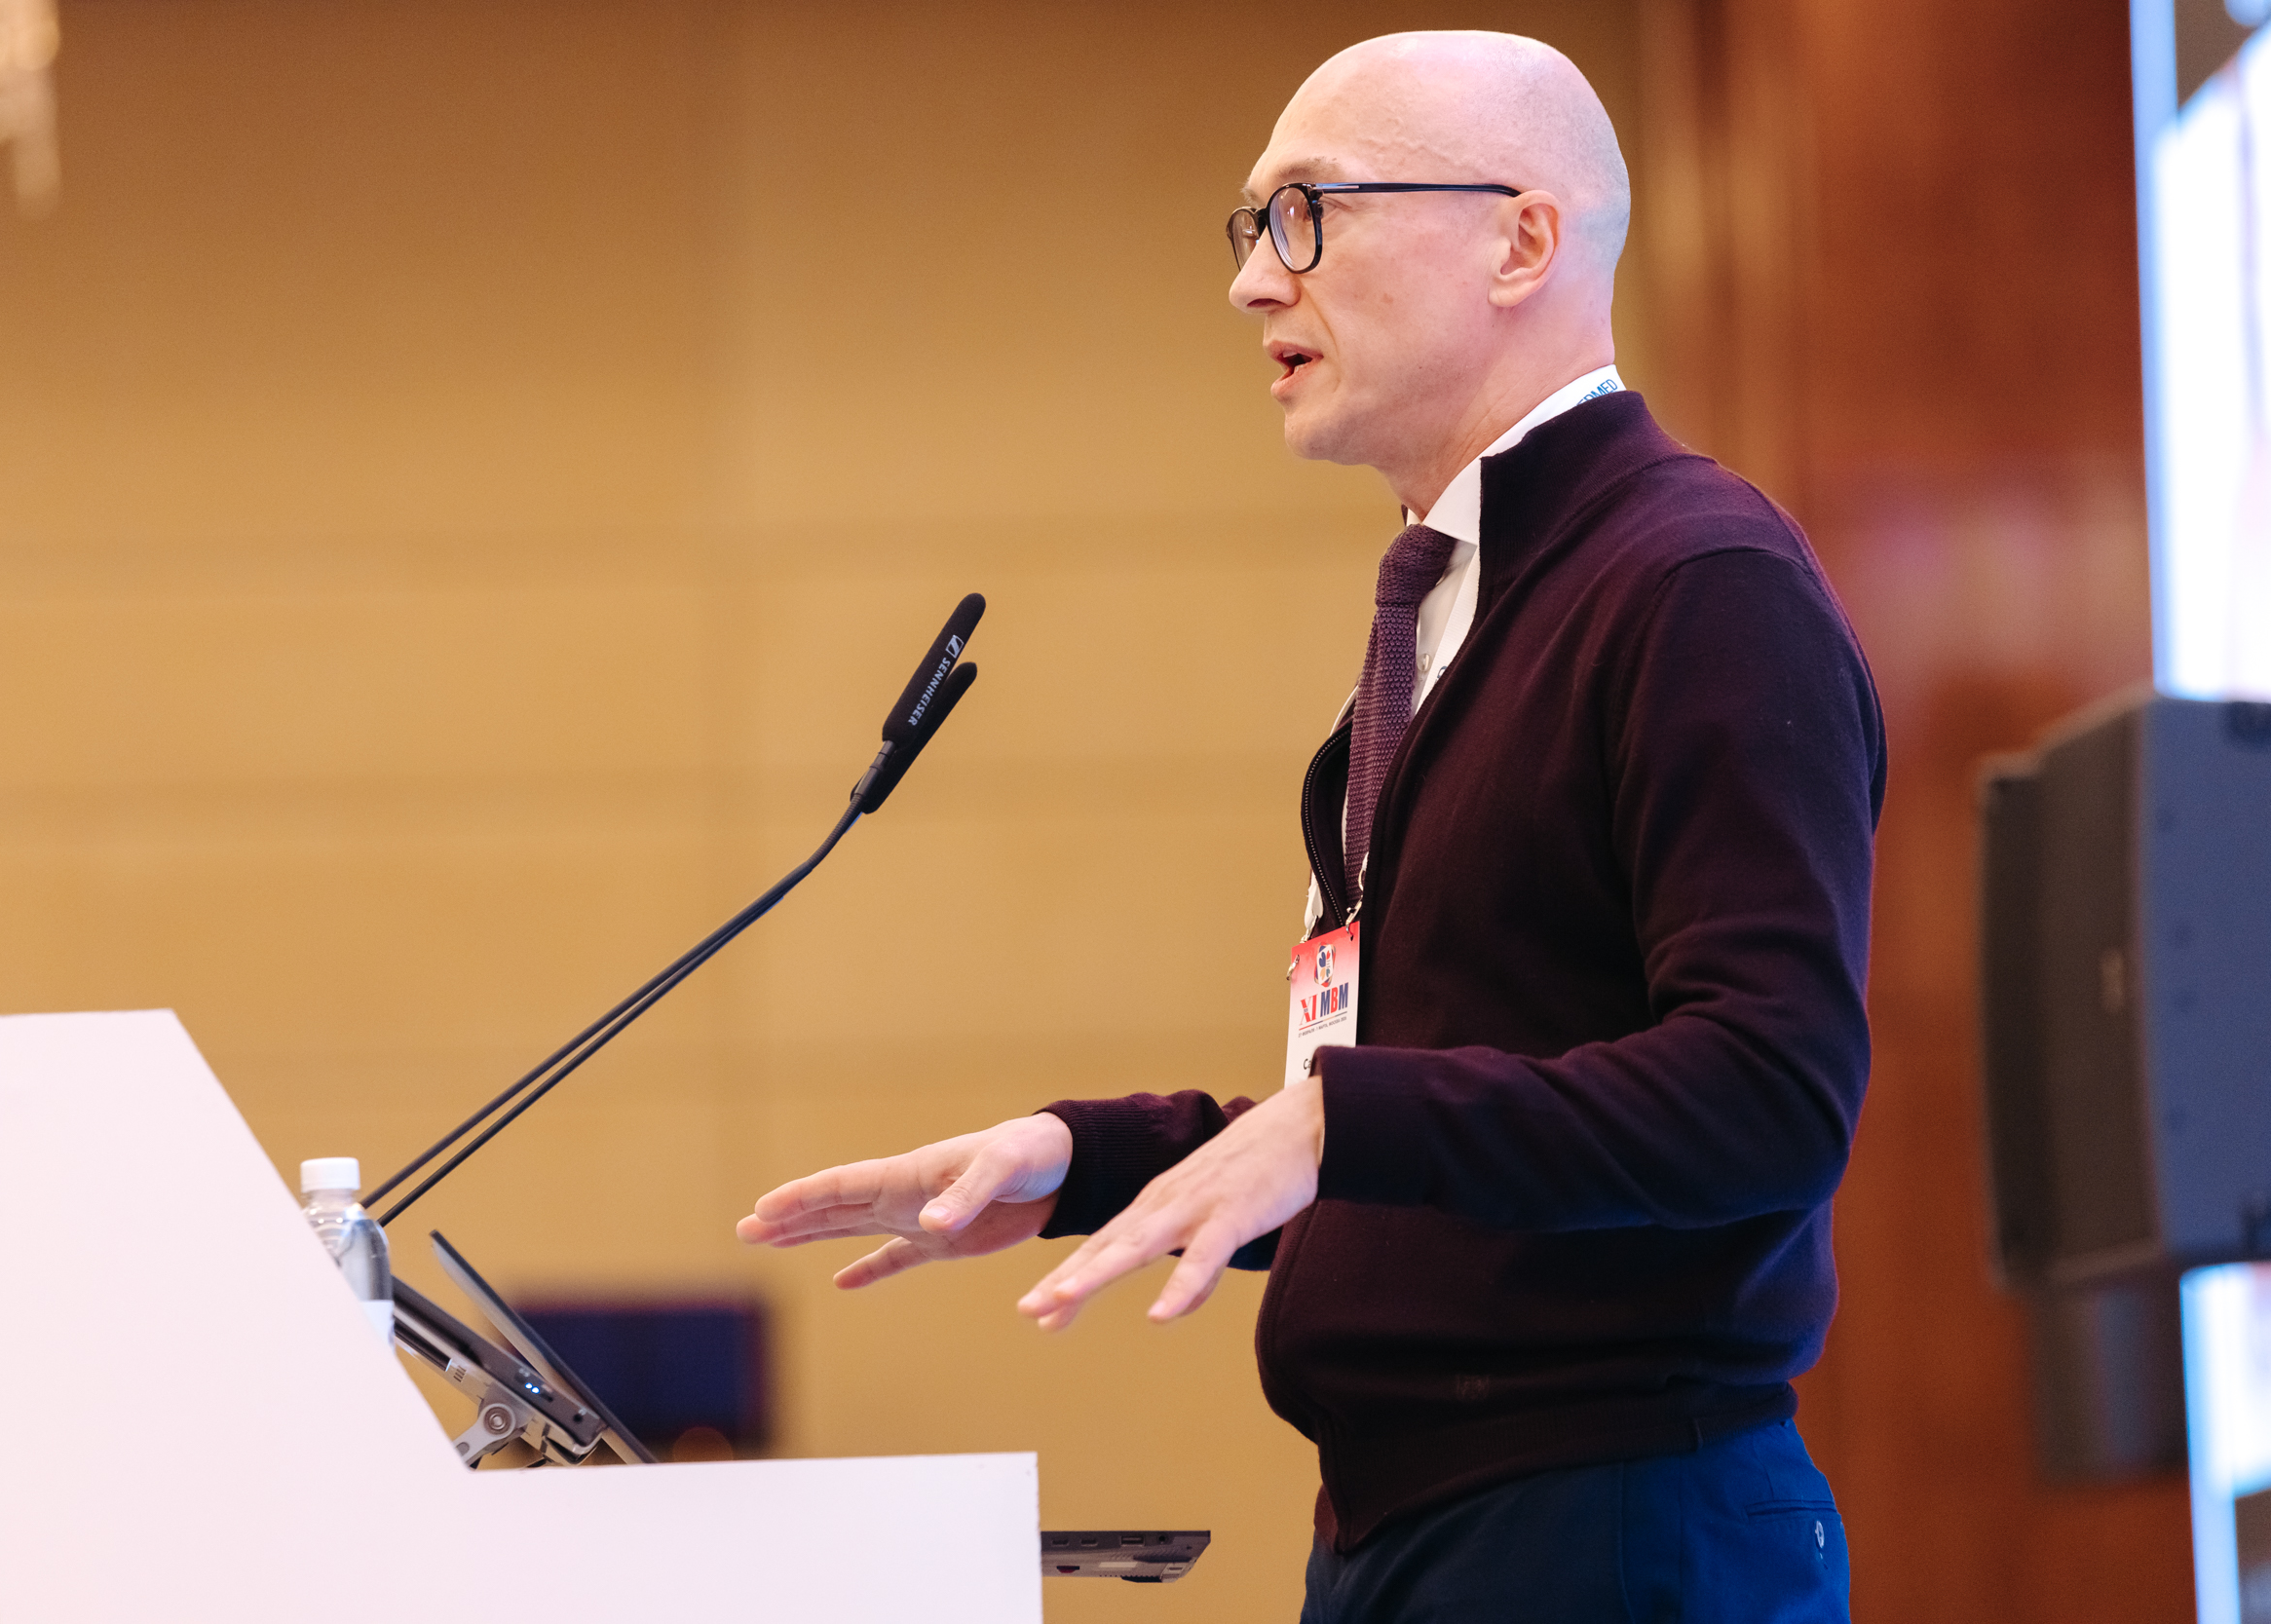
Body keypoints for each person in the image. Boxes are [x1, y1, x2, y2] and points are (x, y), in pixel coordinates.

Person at [738, 29, 1883, 1623]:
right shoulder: (1455, 607)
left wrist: (1338, 1123)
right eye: (1254, 226)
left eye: (1309, 214)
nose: (1253, 282)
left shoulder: (1697, 584)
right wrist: (1089, 1160)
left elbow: (1769, 1094)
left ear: (1520, 241)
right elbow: (1427, 1097)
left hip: (1615, 1527)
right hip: (1406, 1526)